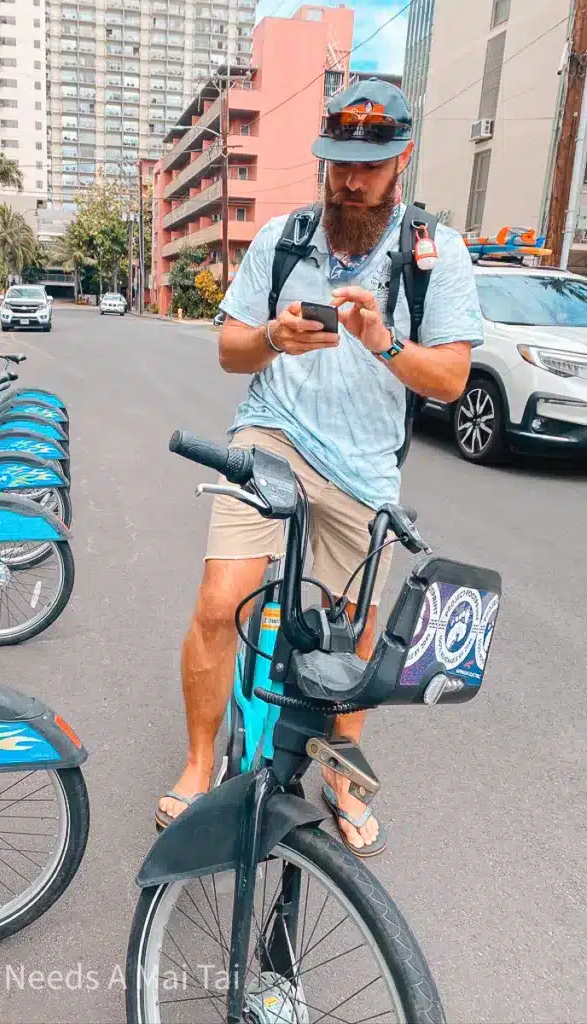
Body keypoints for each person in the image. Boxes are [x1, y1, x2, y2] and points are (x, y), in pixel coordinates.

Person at [156, 79, 484, 856]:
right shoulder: (285, 237)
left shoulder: (434, 254)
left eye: (367, 166)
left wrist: (385, 343)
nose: (350, 180)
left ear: (401, 158)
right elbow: (230, 349)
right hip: (274, 436)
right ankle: (200, 764)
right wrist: (271, 337)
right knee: (218, 600)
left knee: (353, 635)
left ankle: (338, 769)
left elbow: (451, 379)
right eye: (339, 164)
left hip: (364, 470)